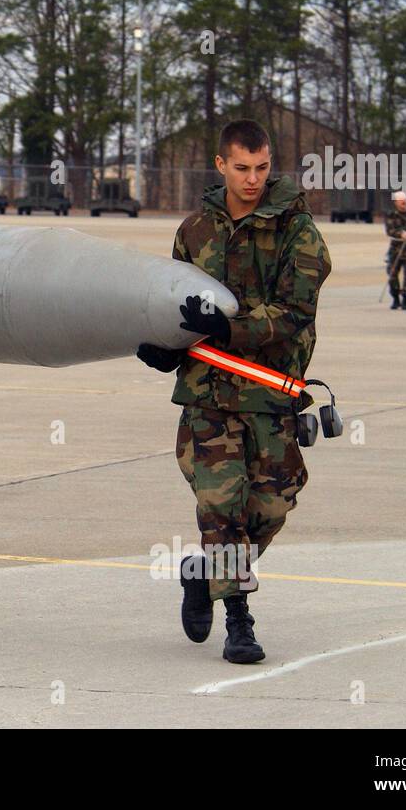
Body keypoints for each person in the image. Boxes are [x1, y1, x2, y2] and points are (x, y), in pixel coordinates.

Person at [136, 119, 331, 664]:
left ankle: (203, 574)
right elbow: (171, 302)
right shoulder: (193, 231)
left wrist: (229, 328)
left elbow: (295, 313)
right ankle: (239, 622)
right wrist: (164, 347)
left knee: (270, 506)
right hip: (208, 398)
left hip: (271, 396)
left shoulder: (298, 231)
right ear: (220, 165)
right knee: (222, 509)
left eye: (263, 168)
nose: (253, 179)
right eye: (242, 168)